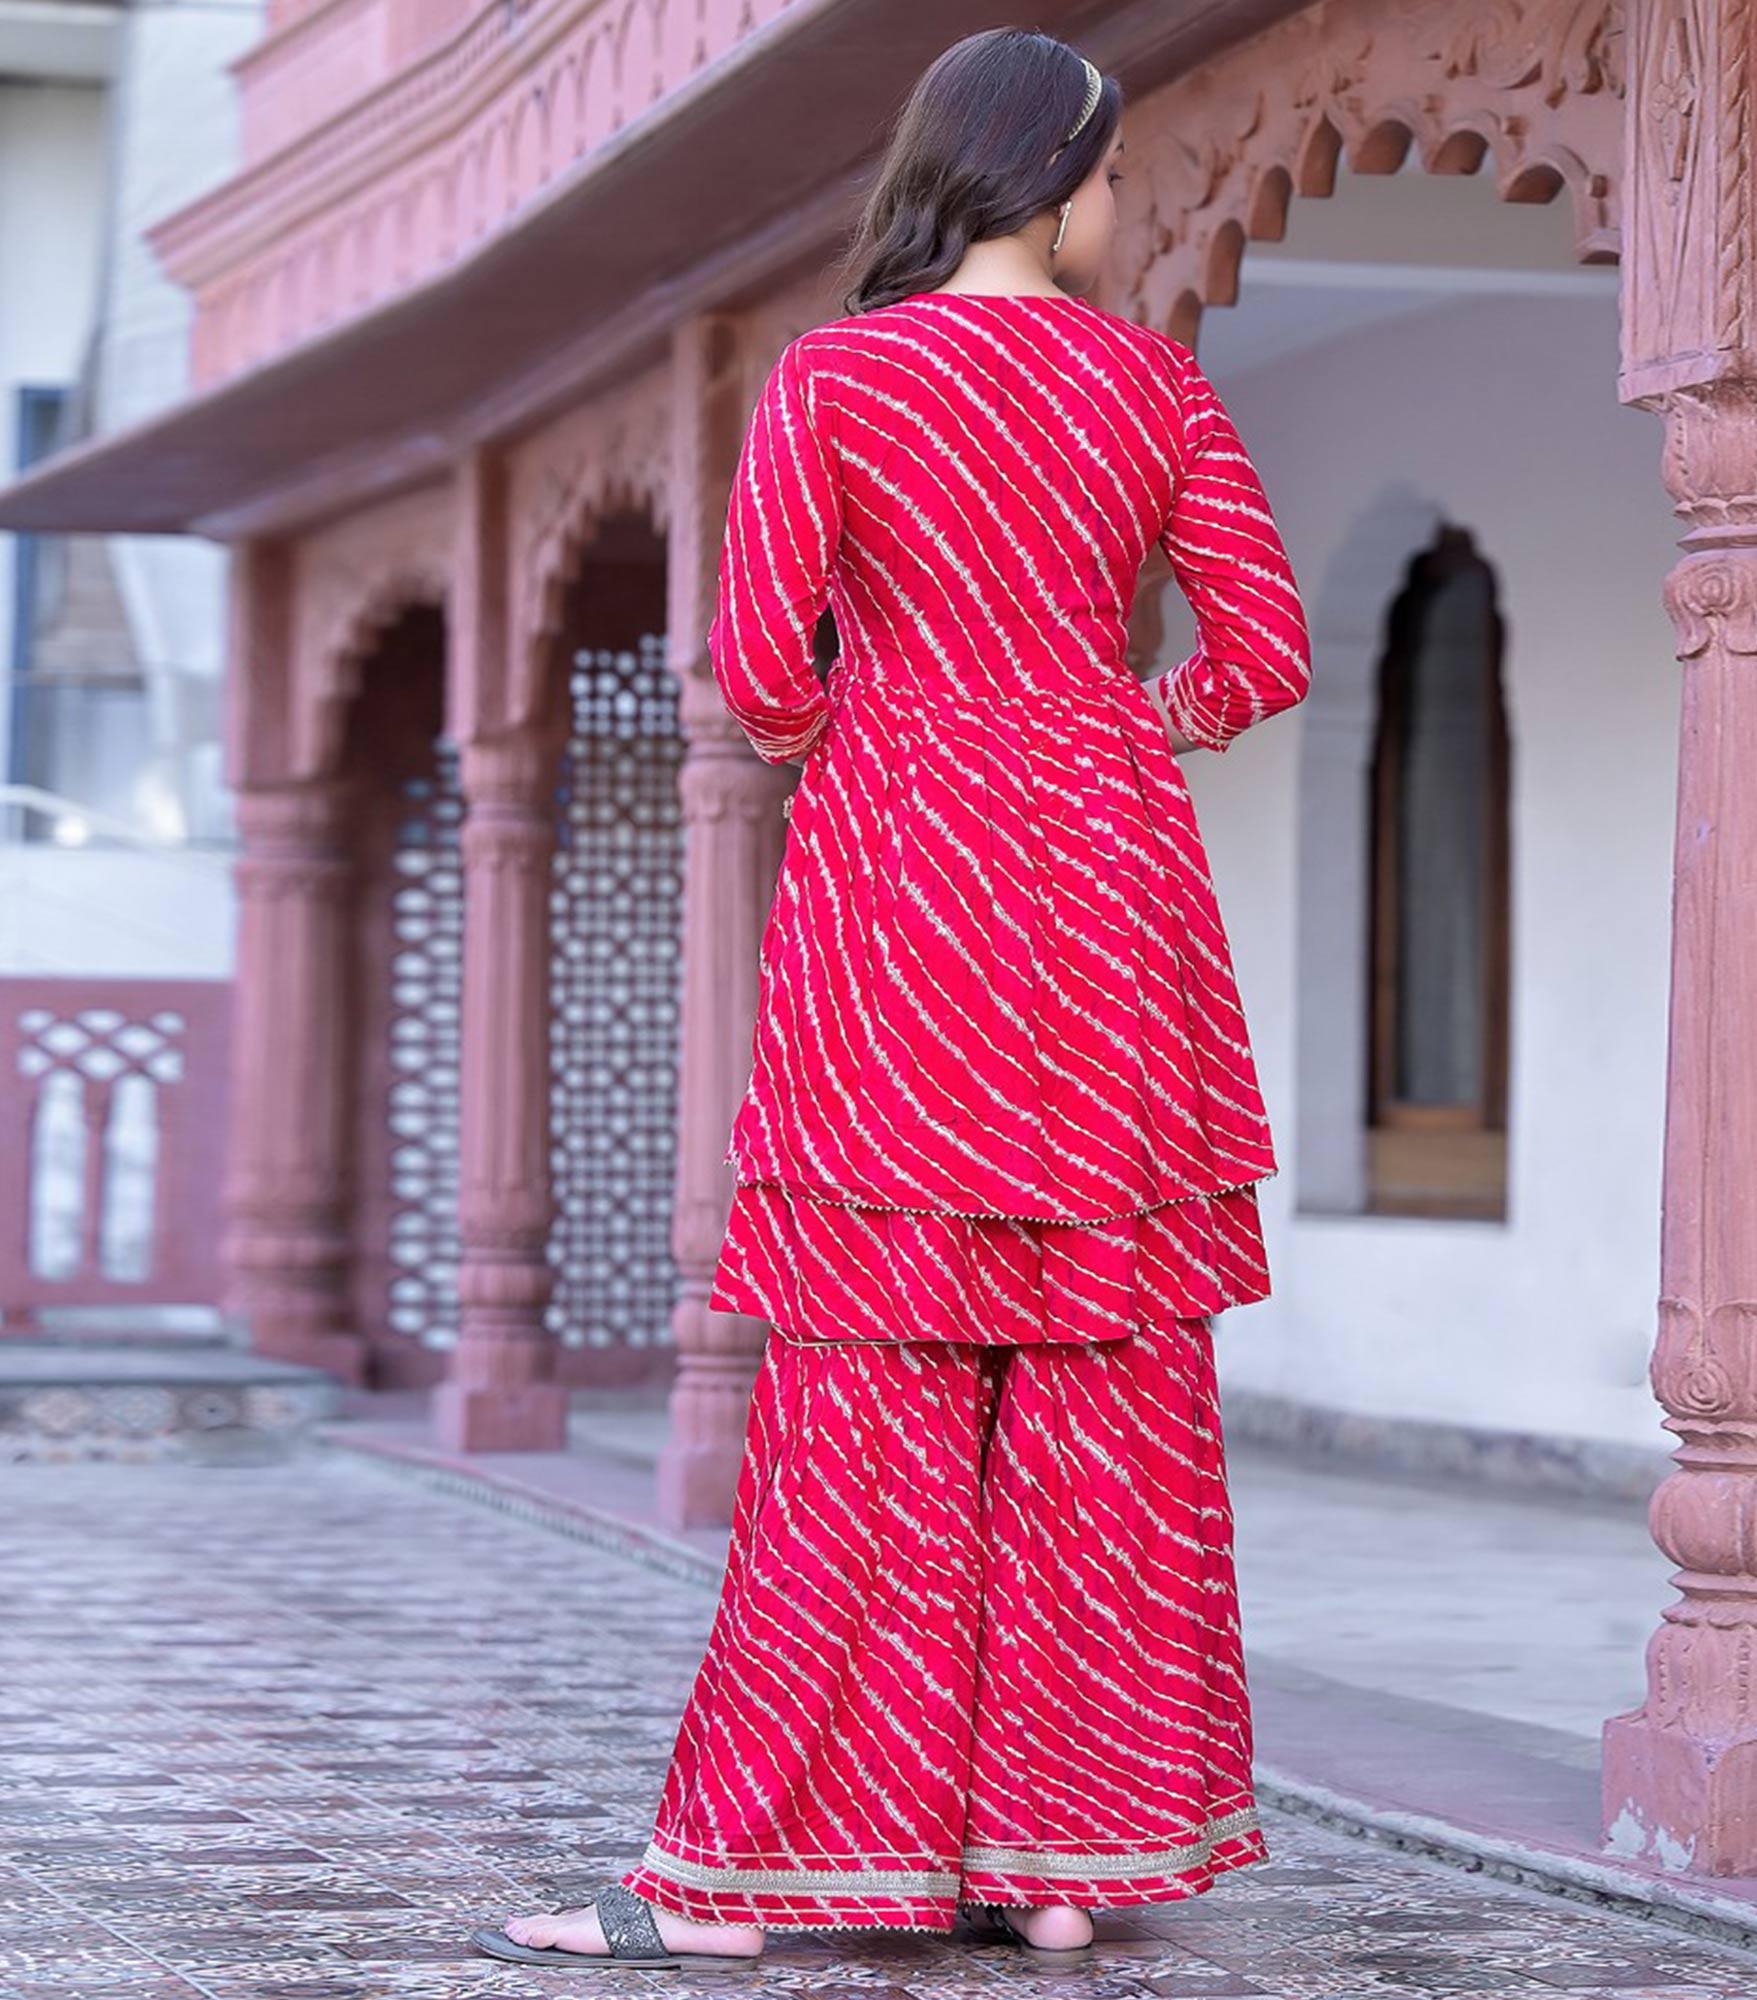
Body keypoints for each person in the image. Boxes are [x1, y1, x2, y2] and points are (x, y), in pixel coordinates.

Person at [475, 21, 1312, 1972]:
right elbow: (1260, 651)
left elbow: (760, 676)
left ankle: (756, 1874)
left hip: (902, 895)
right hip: (1111, 899)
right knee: (1105, 1377)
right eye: (1113, 173)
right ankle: (1062, 1865)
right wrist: (1112, 725)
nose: (1123, 207)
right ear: (1057, 173)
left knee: (872, 1387)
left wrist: (915, 733)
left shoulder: (837, 379)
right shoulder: (1152, 390)